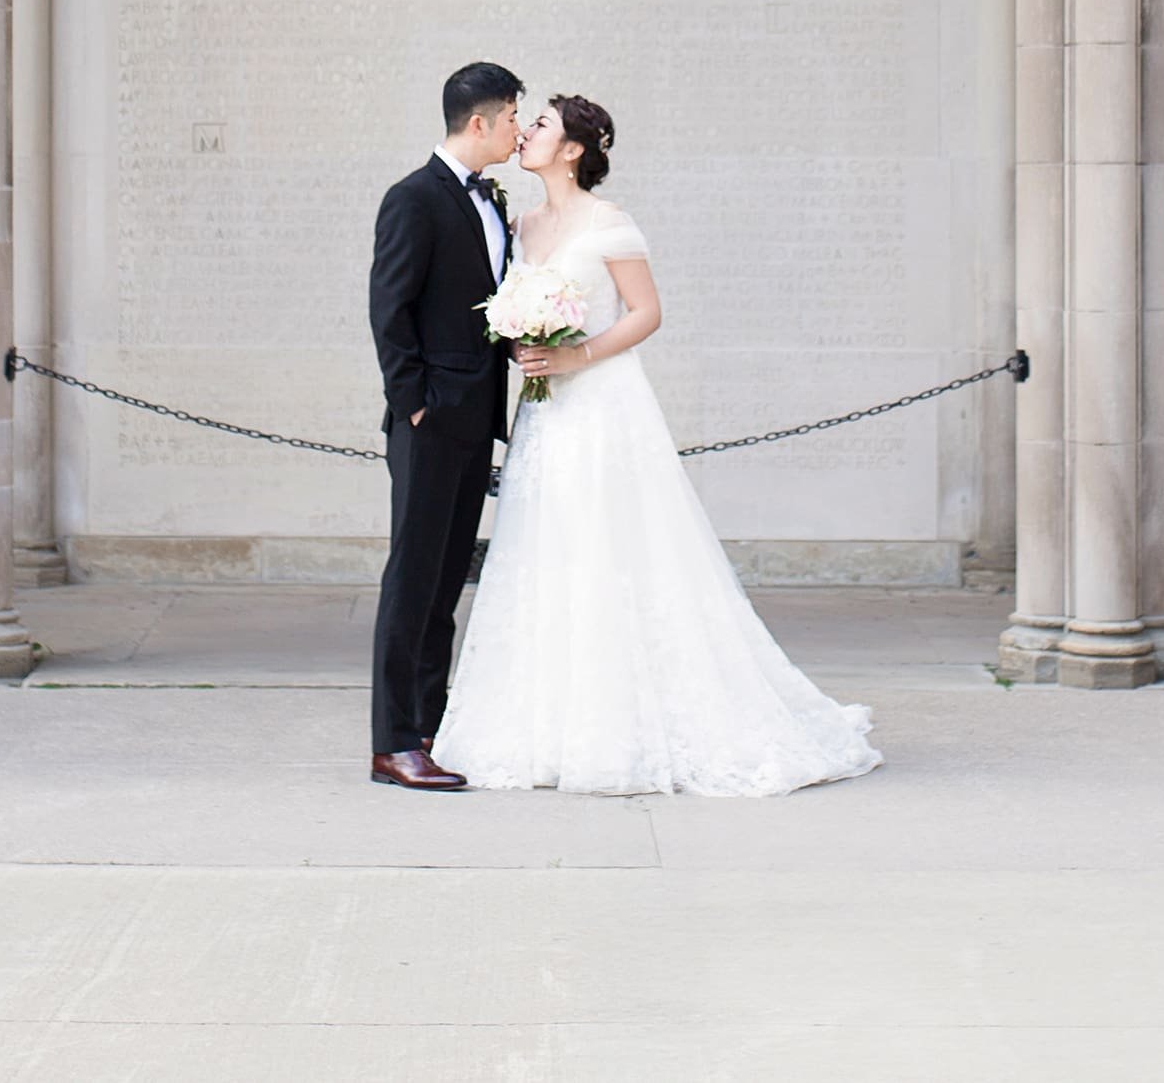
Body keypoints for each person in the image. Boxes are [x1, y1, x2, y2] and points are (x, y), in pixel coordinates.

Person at [431, 94, 881, 797]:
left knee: (613, 549)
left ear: (574, 149)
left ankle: (625, 724)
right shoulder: (519, 225)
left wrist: (578, 358)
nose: (526, 133)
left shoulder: (610, 224)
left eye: (541, 125)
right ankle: (546, 721)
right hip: (545, 417)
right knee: (548, 549)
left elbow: (647, 312)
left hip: (603, 408)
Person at [366, 60, 521, 791]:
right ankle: (393, 742)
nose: (520, 130)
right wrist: (414, 403)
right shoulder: (414, 198)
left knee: (443, 586)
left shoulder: (489, 199)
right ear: (481, 122)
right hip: (430, 422)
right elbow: (389, 309)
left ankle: (429, 725)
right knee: (413, 580)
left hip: (474, 420)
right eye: (514, 116)